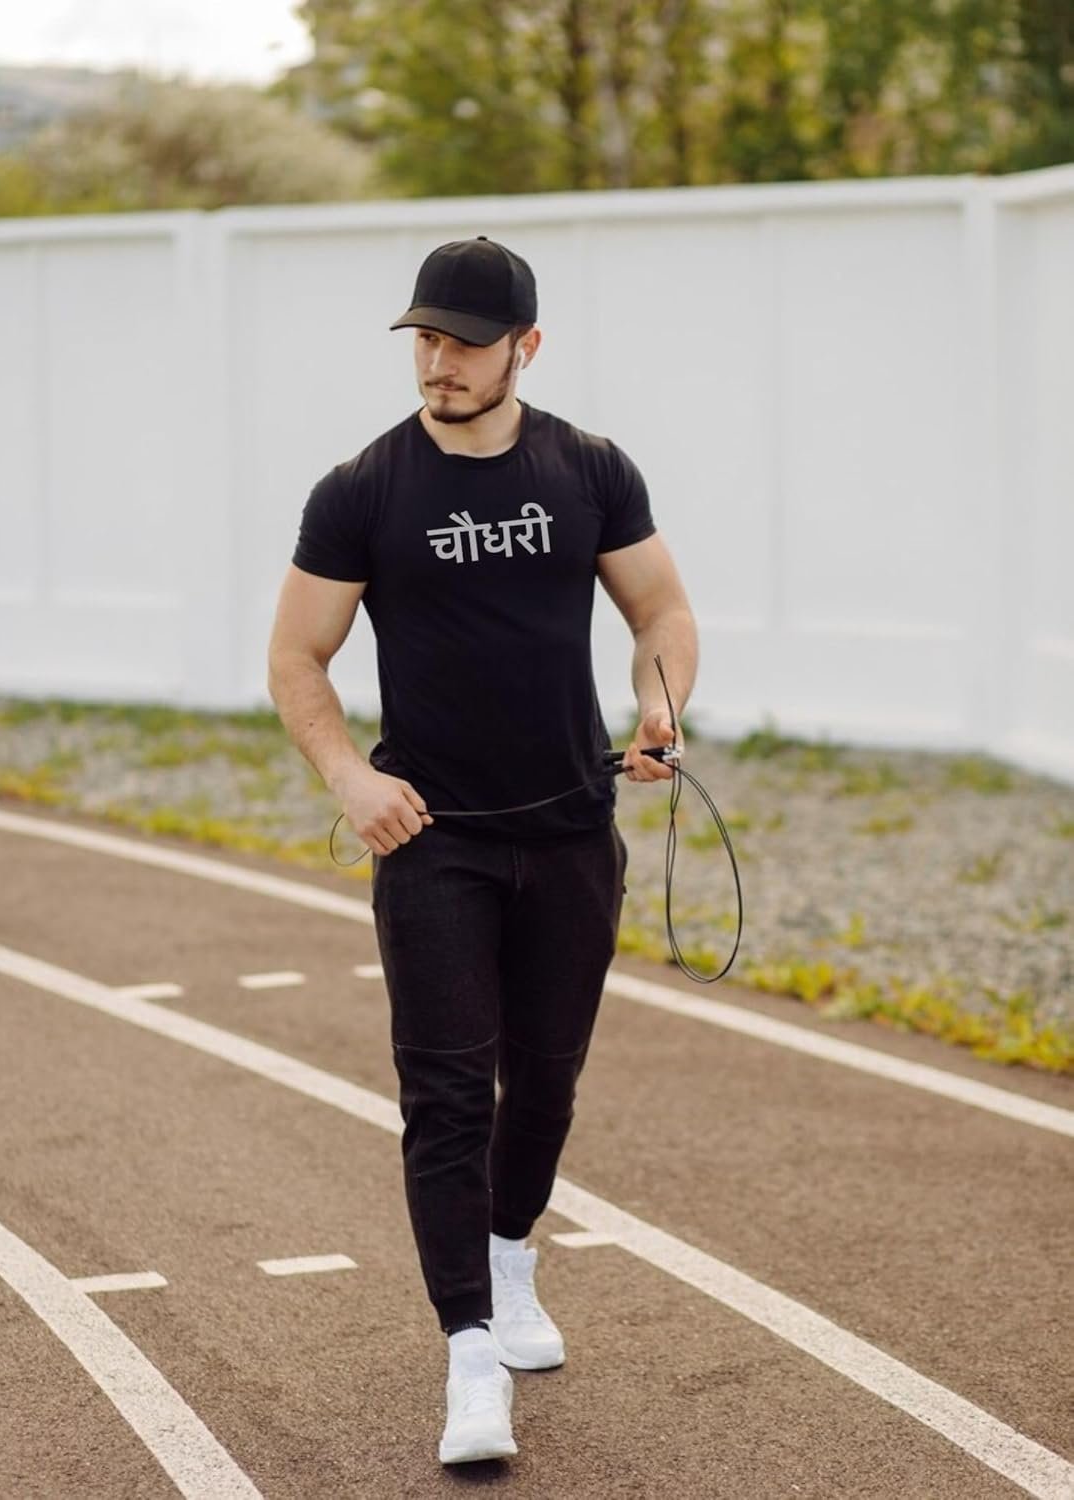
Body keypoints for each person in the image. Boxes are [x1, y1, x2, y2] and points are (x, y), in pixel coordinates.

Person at [267, 234, 698, 1466]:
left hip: (569, 829)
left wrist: (659, 704)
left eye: (463, 342)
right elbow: (297, 656)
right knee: (447, 1096)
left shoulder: (591, 469)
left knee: (545, 1080)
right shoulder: (361, 490)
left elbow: (660, 609)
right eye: (425, 339)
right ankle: (469, 1354)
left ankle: (510, 1258)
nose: (438, 362)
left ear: (526, 347)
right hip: (435, 843)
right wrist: (352, 780)